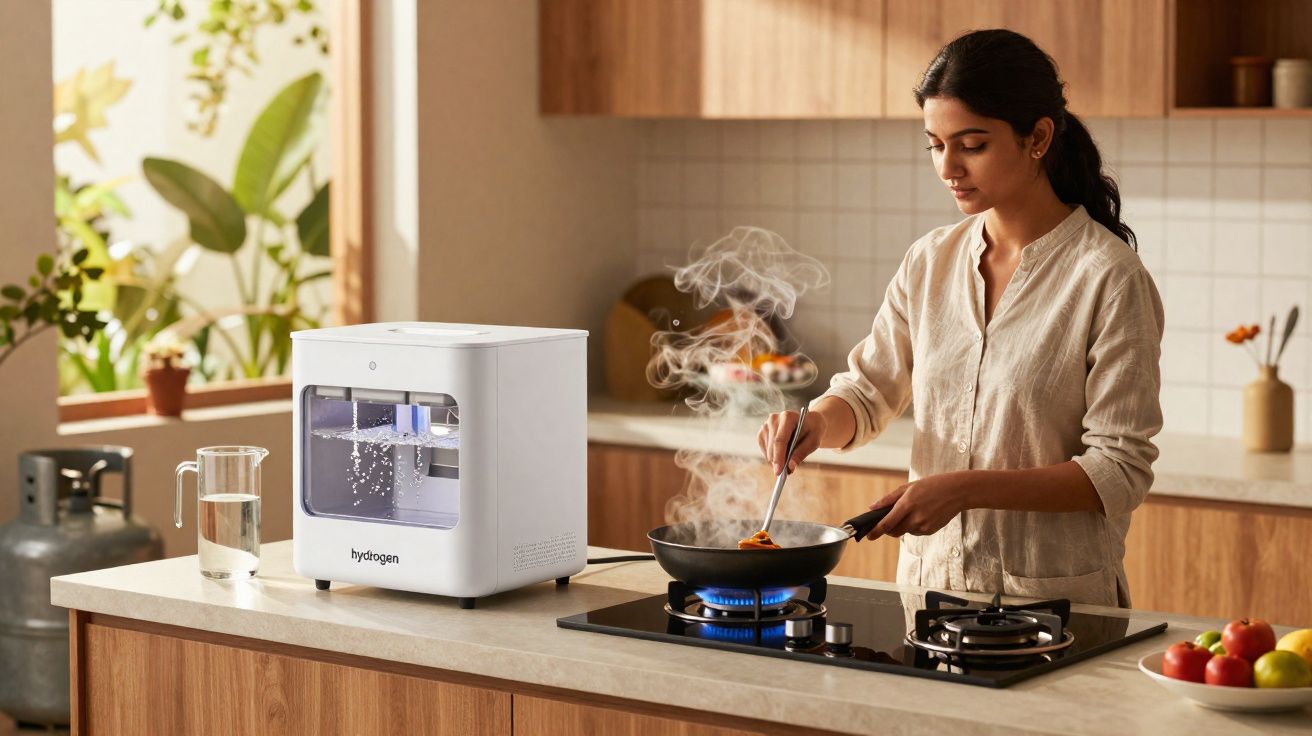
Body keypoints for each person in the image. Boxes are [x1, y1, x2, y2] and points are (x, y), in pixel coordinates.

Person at [757, 29, 1163, 607]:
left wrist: (964, 490)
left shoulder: (1108, 277)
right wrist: (817, 422)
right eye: (934, 144)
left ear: (1038, 137)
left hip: (1053, 604)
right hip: (929, 595)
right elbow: (869, 392)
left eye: (971, 144)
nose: (948, 167)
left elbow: (1118, 471)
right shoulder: (930, 260)